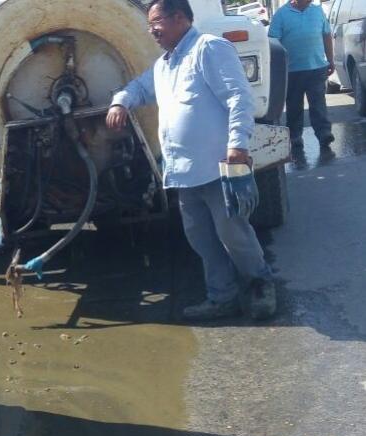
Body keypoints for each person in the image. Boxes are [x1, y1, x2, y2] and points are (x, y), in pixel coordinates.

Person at [106, 0, 276, 320]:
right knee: (202, 240)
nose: (152, 30)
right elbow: (138, 88)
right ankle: (222, 296)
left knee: (234, 235)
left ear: (181, 18)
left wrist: (238, 145)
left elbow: (239, 96)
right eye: (149, 24)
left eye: (157, 22)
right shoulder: (164, 65)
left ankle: (260, 286)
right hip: (184, 174)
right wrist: (120, 103)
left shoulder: (208, 49)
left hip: (217, 167)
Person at [269, 0, 335, 149]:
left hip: (317, 67)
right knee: (294, 106)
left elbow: (326, 35)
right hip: (292, 70)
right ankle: (295, 136)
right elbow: (273, 42)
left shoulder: (317, 11)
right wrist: (276, 69)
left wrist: (330, 59)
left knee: (318, 104)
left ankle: (324, 134)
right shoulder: (281, 14)